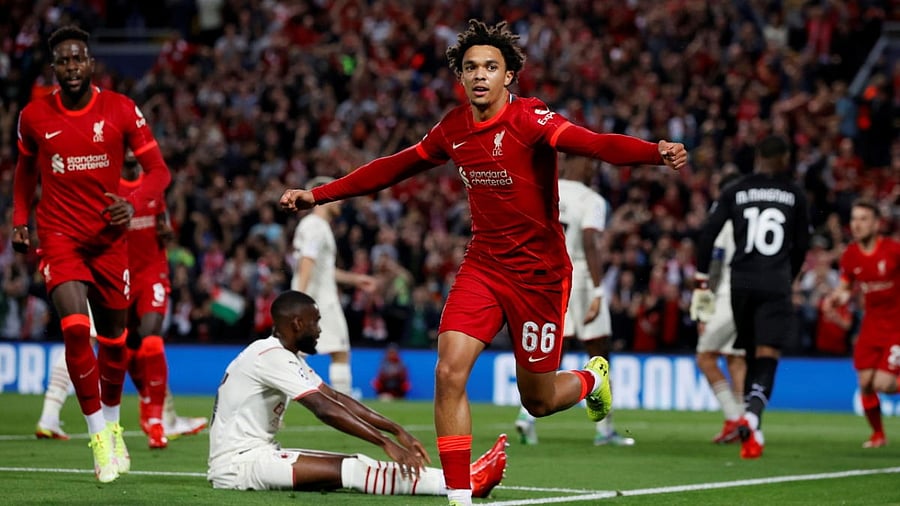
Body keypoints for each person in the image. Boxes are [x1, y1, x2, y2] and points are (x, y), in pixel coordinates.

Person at [280, 20, 686, 505]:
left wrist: (653, 153)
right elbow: (392, 167)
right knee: (449, 371)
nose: (479, 76)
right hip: (485, 267)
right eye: (471, 67)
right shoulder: (453, 128)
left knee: (536, 401)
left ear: (509, 76)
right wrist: (317, 195)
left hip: (540, 276)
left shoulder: (532, 120)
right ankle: (459, 498)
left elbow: (595, 144)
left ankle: (590, 379)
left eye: (491, 67)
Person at [12, 25, 172, 482]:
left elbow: (160, 171)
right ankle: (98, 436)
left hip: (109, 242)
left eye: (78, 59)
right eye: (63, 61)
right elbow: (24, 172)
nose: (71, 67)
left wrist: (135, 202)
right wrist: (20, 219)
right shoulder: (33, 116)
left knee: (116, 343)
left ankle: (115, 422)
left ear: (90, 62)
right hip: (59, 236)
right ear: (54, 67)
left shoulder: (121, 110)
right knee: (76, 331)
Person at [207, 289, 508, 498]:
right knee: (354, 468)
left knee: (350, 465)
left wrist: (395, 429)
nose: (320, 330)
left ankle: (461, 480)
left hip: (252, 458)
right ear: (297, 323)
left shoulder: (281, 354)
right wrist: (384, 443)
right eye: (315, 322)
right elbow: (324, 410)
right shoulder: (270, 355)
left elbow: (336, 398)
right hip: (240, 466)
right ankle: (463, 482)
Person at [35, 154, 207, 447]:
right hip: (105, 271)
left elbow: (161, 219)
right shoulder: (104, 184)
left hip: (138, 274)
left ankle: (161, 416)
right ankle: (54, 415)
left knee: (137, 341)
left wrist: (165, 230)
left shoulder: (152, 185)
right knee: (91, 337)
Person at [692, 135, 810, 459]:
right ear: (784, 158)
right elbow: (802, 245)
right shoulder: (793, 194)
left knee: (740, 355)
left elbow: (707, 235)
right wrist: (790, 275)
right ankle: (749, 416)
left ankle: (744, 422)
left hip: (739, 285)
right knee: (763, 356)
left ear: (757, 156)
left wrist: (701, 280)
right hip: (774, 281)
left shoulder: (735, 192)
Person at [513, 156, 634, 447]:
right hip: (579, 278)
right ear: (586, 166)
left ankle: (524, 417)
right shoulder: (591, 199)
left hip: (547, 276)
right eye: (592, 165)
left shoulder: (545, 189)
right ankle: (605, 431)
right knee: (599, 350)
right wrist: (599, 291)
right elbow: (590, 241)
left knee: (554, 349)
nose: (595, 170)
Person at [823, 200, 900, 449]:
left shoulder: (893, 250)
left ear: (877, 224)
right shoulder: (851, 255)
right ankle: (878, 434)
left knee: (883, 384)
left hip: (896, 325)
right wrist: (836, 297)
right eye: (854, 218)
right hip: (871, 325)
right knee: (865, 383)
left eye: (863, 219)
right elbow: (847, 287)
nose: (856, 224)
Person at [290, 176, 376, 396]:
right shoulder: (315, 226)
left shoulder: (316, 226)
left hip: (316, 297)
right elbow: (307, 261)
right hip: (317, 300)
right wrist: (299, 299)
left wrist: (356, 280)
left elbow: (323, 269)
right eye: (335, 196)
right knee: (335, 351)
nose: (340, 201)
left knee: (293, 355)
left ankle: (272, 410)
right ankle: (345, 401)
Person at [694, 173, 746, 444]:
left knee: (705, 356)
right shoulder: (751, 217)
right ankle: (747, 421)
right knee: (736, 359)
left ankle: (734, 418)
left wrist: (704, 308)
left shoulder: (725, 217)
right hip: (752, 294)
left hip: (727, 294)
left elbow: (715, 265)